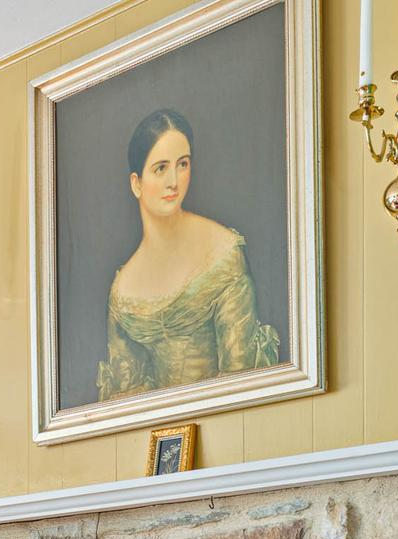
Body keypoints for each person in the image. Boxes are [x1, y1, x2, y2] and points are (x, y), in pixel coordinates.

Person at [97, 109, 279, 401]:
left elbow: (241, 379)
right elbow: (124, 401)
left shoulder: (222, 252)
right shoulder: (122, 288)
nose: (174, 181)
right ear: (136, 183)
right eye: (160, 168)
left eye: (182, 164)